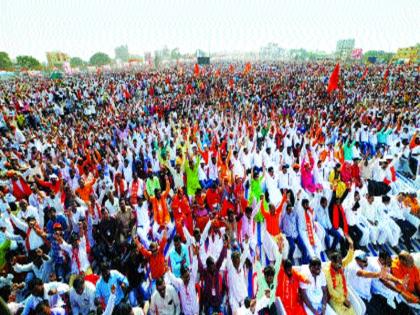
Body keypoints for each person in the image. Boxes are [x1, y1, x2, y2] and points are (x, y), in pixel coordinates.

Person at [324, 235, 356, 315]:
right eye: (338, 263)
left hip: (344, 296)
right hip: (334, 300)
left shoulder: (339, 265)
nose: (340, 265)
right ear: (333, 262)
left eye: (341, 262)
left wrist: (351, 246)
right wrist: (343, 300)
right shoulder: (328, 272)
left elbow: (348, 259)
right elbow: (331, 291)